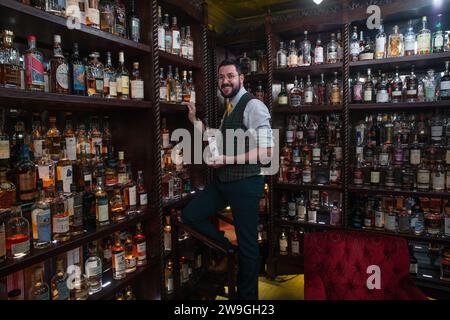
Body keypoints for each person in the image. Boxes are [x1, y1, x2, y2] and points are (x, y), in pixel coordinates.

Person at [182, 58, 274, 300]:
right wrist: (194, 123)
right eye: (221, 77)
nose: (225, 81)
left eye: (230, 76)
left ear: (241, 78)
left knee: (249, 247)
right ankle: (228, 248)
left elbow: (267, 151)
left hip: (246, 185)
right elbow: (217, 139)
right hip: (224, 182)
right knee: (190, 216)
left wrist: (227, 160)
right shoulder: (230, 107)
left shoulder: (254, 106)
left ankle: (247, 300)